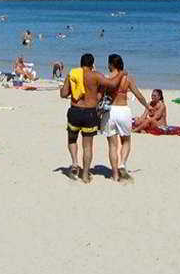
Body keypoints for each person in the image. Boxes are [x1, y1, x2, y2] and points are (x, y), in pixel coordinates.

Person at [59, 53, 126, 183]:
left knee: (72, 139)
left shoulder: (72, 74)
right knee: (87, 146)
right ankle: (84, 174)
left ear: (80, 63)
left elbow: (63, 94)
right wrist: (122, 74)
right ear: (92, 64)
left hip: (75, 111)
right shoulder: (95, 75)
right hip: (90, 112)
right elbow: (112, 84)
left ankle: (74, 163)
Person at [101, 54, 152, 182]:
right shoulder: (127, 78)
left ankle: (115, 175)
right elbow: (138, 94)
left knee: (112, 145)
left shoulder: (107, 78)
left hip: (110, 111)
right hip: (123, 110)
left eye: (108, 63)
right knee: (126, 141)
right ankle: (122, 164)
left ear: (111, 65)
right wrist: (147, 106)